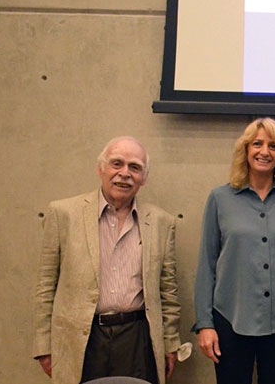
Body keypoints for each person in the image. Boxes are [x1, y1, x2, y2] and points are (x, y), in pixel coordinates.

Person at [32, 136, 182, 384]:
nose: (124, 174)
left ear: (143, 179)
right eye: (117, 164)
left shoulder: (161, 223)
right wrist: (43, 345)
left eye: (134, 167)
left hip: (137, 338)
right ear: (100, 168)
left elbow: (169, 292)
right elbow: (45, 286)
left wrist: (170, 343)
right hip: (82, 339)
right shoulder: (63, 214)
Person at [194, 118, 275, 384]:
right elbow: (207, 264)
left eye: (273, 146)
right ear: (245, 150)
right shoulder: (220, 199)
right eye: (257, 144)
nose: (265, 151)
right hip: (231, 318)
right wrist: (205, 324)